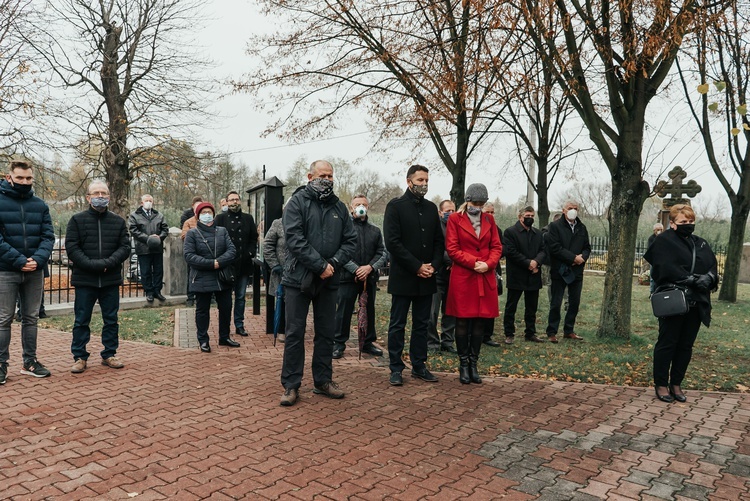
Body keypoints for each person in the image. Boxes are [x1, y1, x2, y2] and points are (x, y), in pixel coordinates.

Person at [279, 160, 356, 406]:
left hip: (329, 280)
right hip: (297, 278)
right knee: (294, 333)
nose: (328, 179)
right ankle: (291, 384)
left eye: (331, 175)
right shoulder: (297, 203)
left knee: (325, 333)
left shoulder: (339, 207)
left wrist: (331, 263)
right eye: (323, 175)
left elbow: (350, 241)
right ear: (310, 176)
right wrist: (319, 265)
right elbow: (294, 238)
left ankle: (323, 381)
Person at [644, 204, 717, 403]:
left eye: (691, 221)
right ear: (673, 223)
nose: (688, 225)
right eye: (684, 222)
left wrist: (709, 278)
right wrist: (691, 279)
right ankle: (660, 384)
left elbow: (712, 265)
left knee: (686, 345)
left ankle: (676, 383)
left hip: (696, 301)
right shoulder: (663, 241)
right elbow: (663, 268)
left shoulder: (700, 243)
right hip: (674, 299)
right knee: (667, 343)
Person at [383, 164, 444, 386]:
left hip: (427, 277)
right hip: (404, 276)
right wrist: (417, 266)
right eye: (420, 181)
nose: (424, 184)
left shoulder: (430, 208)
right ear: (409, 181)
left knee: (422, 323)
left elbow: (439, 241)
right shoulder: (396, 206)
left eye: (427, 181)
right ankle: (396, 368)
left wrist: (433, 266)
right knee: (397, 324)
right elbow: (393, 242)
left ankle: (419, 365)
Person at [66, 180, 131, 373]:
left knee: (111, 319)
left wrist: (108, 263)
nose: (100, 197)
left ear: (109, 197)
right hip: (85, 279)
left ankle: (109, 353)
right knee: (81, 319)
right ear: (88, 197)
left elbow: (125, 247)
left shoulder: (118, 221)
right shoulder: (77, 220)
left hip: (110, 279)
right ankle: (79, 356)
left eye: (104, 193)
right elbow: (72, 247)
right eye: (96, 193)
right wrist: (93, 265)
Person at [0, 160, 55, 384]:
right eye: (20, 178)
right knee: (4, 319)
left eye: (28, 178)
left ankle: (29, 362)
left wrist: (37, 260)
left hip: (34, 270)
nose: (24, 182)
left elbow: (48, 236)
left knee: (30, 318)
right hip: (5, 270)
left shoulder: (40, 205)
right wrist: (19, 260)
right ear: (9, 177)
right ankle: (1, 364)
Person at [444, 184, 502, 384]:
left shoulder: (490, 220)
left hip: (484, 276)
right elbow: (452, 248)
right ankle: (463, 363)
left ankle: (474, 363)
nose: (478, 206)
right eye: (475, 203)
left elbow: (496, 246)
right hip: (464, 276)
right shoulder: (454, 219)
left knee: (480, 321)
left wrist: (488, 264)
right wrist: (473, 262)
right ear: (467, 200)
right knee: (462, 321)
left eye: (481, 203)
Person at [332, 195, 387, 359]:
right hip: (347, 278)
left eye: (364, 204)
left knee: (368, 310)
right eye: (357, 204)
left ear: (368, 207)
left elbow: (382, 253)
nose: (361, 206)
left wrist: (370, 268)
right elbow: (339, 252)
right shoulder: (343, 229)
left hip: (368, 279)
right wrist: (356, 270)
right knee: (343, 311)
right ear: (351, 208)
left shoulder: (375, 230)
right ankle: (338, 343)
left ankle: (368, 342)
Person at [184, 202, 239, 353]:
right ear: (197, 216)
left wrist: (219, 262)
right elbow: (189, 256)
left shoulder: (222, 231)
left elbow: (232, 250)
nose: (207, 214)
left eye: (209, 211)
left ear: (213, 214)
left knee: (226, 307)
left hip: (222, 277)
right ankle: (203, 340)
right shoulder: (192, 234)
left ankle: (224, 336)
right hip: (202, 277)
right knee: (202, 310)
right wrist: (210, 264)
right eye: (203, 212)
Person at [544, 200, 590, 343]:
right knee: (556, 302)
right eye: (570, 208)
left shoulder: (581, 227)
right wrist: (572, 258)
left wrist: (583, 257)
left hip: (577, 271)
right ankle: (552, 331)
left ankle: (569, 330)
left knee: (574, 302)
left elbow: (587, 247)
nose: (573, 210)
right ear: (564, 210)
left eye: (575, 208)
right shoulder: (555, 227)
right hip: (560, 270)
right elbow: (555, 247)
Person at [214, 190, 258, 337]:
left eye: (237, 199)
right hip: (227, 265)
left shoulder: (248, 218)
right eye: (231, 200)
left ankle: (239, 325)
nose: (234, 202)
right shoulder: (220, 218)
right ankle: (224, 327)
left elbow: (253, 238)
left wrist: (250, 252)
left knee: (240, 297)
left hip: (243, 264)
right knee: (226, 298)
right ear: (226, 202)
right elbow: (216, 239)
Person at [503, 206, 546, 344]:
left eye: (532, 216)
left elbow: (543, 250)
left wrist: (536, 262)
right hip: (517, 274)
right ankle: (509, 333)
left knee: (532, 307)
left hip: (533, 275)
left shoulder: (538, 234)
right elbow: (511, 252)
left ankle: (530, 333)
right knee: (511, 306)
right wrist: (528, 263)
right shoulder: (510, 232)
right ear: (520, 216)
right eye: (527, 215)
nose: (530, 218)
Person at [427, 200, 457, 354]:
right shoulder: (435, 226)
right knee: (432, 312)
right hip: (437, 274)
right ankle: (432, 342)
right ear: (440, 212)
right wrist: (451, 259)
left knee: (450, 311)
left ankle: (447, 341)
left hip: (453, 276)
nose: (450, 213)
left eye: (453, 210)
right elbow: (436, 247)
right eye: (447, 210)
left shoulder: (458, 226)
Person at [128, 194, 169, 303]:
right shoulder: (134, 216)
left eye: (150, 200)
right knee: (145, 271)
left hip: (157, 248)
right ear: (141, 202)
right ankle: (149, 292)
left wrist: (159, 237)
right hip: (143, 248)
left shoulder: (159, 215)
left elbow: (165, 229)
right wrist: (148, 239)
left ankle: (157, 291)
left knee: (158, 271)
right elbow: (133, 230)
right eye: (146, 200)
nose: (148, 202)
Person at [480, 202, 503, 347]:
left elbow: (501, 248)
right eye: (488, 212)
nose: (490, 215)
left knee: (491, 302)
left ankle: (487, 335)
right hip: (477, 267)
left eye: (493, 212)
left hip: (493, 268)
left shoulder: (497, 229)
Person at [263, 216, 287, 342]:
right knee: (282, 300)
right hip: (281, 271)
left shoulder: (306, 221)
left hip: (300, 271)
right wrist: (275, 264)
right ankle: (281, 329)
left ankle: (293, 328)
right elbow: (267, 245)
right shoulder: (278, 223)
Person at [181, 196, 203, 306]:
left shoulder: (209, 220)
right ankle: (190, 297)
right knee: (191, 275)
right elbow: (184, 236)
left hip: (207, 253)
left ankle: (211, 295)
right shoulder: (188, 222)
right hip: (194, 253)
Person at [647, 222, 664, 294]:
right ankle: (652, 292)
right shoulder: (651, 238)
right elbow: (651, 249)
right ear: (654, 230)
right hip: (654, 261)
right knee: (652, 277)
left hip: (662, 260)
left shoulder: (664, 237)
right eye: (658, 229)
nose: (659, 231)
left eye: (661, 229)